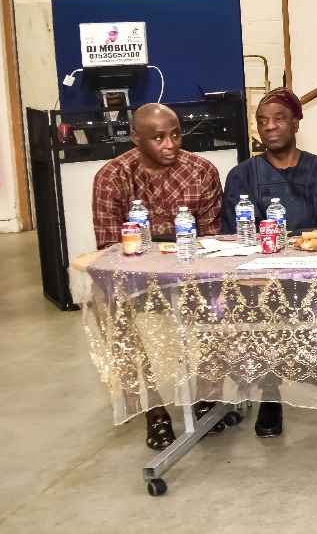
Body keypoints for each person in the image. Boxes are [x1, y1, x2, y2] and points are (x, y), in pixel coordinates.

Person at [90, 103, 224, 451]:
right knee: (113, 307)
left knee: (225, 297)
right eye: (158, 137)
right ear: (136, 138)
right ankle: (155, 410)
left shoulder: (202, 171)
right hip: (134, 279)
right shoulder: (112, 177)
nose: (171, 144)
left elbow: (212, 241)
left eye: (176, 134)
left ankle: (208, 398)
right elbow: (108, 250)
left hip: (193, 274)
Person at [218, 88, 317, 437]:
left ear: (295, 123)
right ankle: (270, 394)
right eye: (262, 121)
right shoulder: (242, 176)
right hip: (261, 277)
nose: (270, 127)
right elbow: (233, 235)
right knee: (259, 310)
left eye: (278, 119)